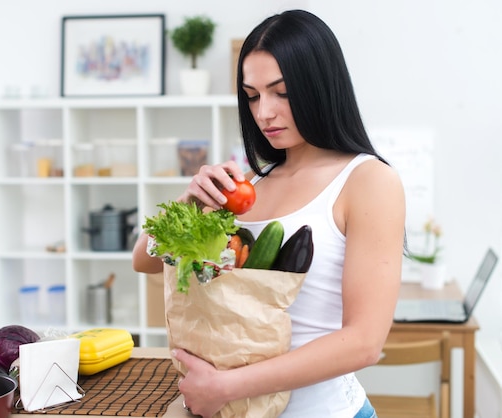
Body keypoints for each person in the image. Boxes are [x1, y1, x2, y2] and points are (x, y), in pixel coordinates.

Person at [132, 9, 405, 418]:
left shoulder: (368, 181)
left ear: (321, 87)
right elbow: (144, 262)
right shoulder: (249, 184)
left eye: (282, 92)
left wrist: (224, 386)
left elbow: (365, 341)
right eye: (253, 95)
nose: (264, 113)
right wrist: (188, 202)